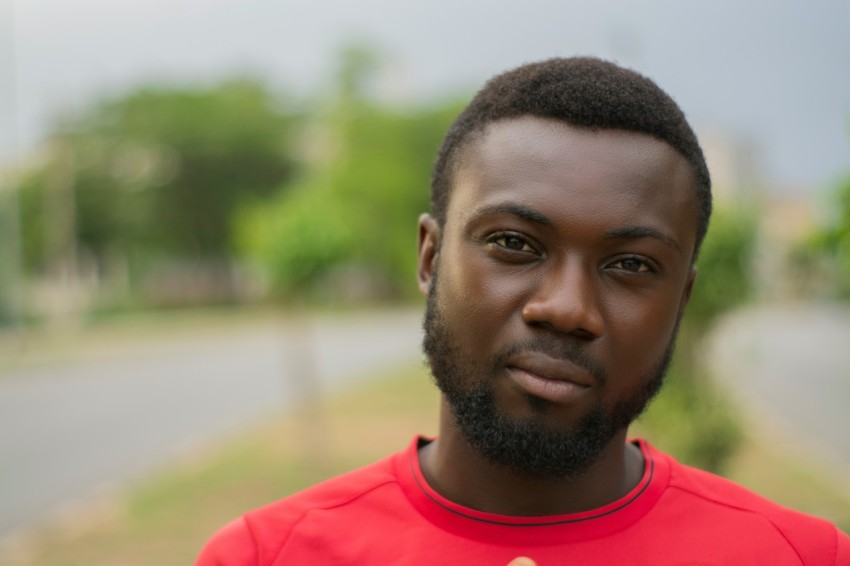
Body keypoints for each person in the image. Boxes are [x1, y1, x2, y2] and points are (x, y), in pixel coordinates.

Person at [196, 57, 850, 565]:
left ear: (682, 300)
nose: (567, 309)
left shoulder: (803, 557)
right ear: (429, 258)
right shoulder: (267, 556)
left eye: (631, 265)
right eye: (513, 244)